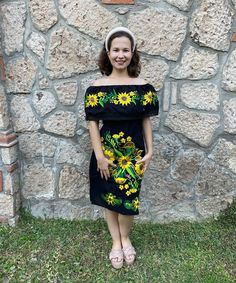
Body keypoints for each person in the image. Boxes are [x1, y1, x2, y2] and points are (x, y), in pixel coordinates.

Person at [84, 27, 159, 269]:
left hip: (133, 155)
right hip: (106, 154)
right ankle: (116, 242)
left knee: (128, 199)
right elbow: (93, 124)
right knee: (109, 199)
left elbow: (145, 119)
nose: (120, 54)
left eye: (125, 50)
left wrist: (150, 151)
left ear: (132, 52)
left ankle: (126, 239)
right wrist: (100, 156)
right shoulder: (96, 88)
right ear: (108, 52)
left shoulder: (143, 87)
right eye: (115, 49)